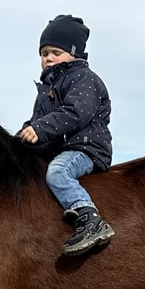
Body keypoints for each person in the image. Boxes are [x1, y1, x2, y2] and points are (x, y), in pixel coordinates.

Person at [19, 14, 115, 257]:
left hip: (86, 149)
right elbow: (37, 122)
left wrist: (39, 130)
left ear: (75, 53)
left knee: (58, 172)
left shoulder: (83, 78)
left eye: (56, 52)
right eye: (43, 53)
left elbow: (76, 113)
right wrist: (22, 137)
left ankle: (89, 219)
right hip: (63, 148)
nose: (49, 58)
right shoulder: (48, 88)